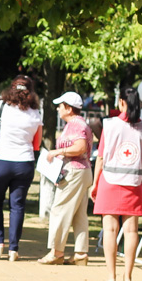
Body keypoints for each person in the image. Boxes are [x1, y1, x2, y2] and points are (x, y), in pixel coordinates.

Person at [90, 86, 142, 281]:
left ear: (122, 102)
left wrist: (94, 183)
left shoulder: (109, 125)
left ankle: (111, 276)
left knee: (110, 230)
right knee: (131, 231)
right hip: (133, 183)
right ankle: (128, 277)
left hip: (109, 180)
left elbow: (100, 157)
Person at [0, 75, 42, 261]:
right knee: (18, 206)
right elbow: (36, 143)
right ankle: (14, 249)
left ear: (11, 89)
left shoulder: (2, 106)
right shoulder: (36, 112)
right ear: (30, 91)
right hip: (24, 163)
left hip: (2, 162)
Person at [38, 92, 93, 265]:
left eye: (60, 105)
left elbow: (80, 146)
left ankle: (57, 252)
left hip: (74, 171)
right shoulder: (76, 124)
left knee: (59, 209)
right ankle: (80, 253)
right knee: (78, 214)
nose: (57, 108)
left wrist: (58, 152)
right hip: (81, 171)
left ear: (69, 108)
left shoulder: (76, 124)